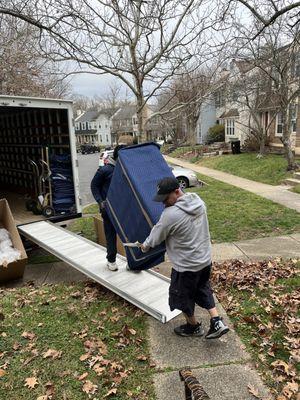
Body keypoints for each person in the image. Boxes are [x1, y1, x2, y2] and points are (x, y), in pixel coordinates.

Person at [141, 177, 229, 339]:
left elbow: (155, 237)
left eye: (166, 199)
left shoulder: (170, 214)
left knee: (182, 297)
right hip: (204, 260)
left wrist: (144, 246)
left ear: (176, 192)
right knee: (203, 288)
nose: (163, 203)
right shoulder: (198, 202)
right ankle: (217, 321)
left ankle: (193, 326)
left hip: (186, 266)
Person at [91, 145, 125, 271]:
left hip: (123, 209)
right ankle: (111, 260)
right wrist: (100, 201)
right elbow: (94, 186)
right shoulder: (105, 170)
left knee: (128, 235)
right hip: (108, 210)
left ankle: (132, 260)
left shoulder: (126, 170)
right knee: (111, 235)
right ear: (118, 157)